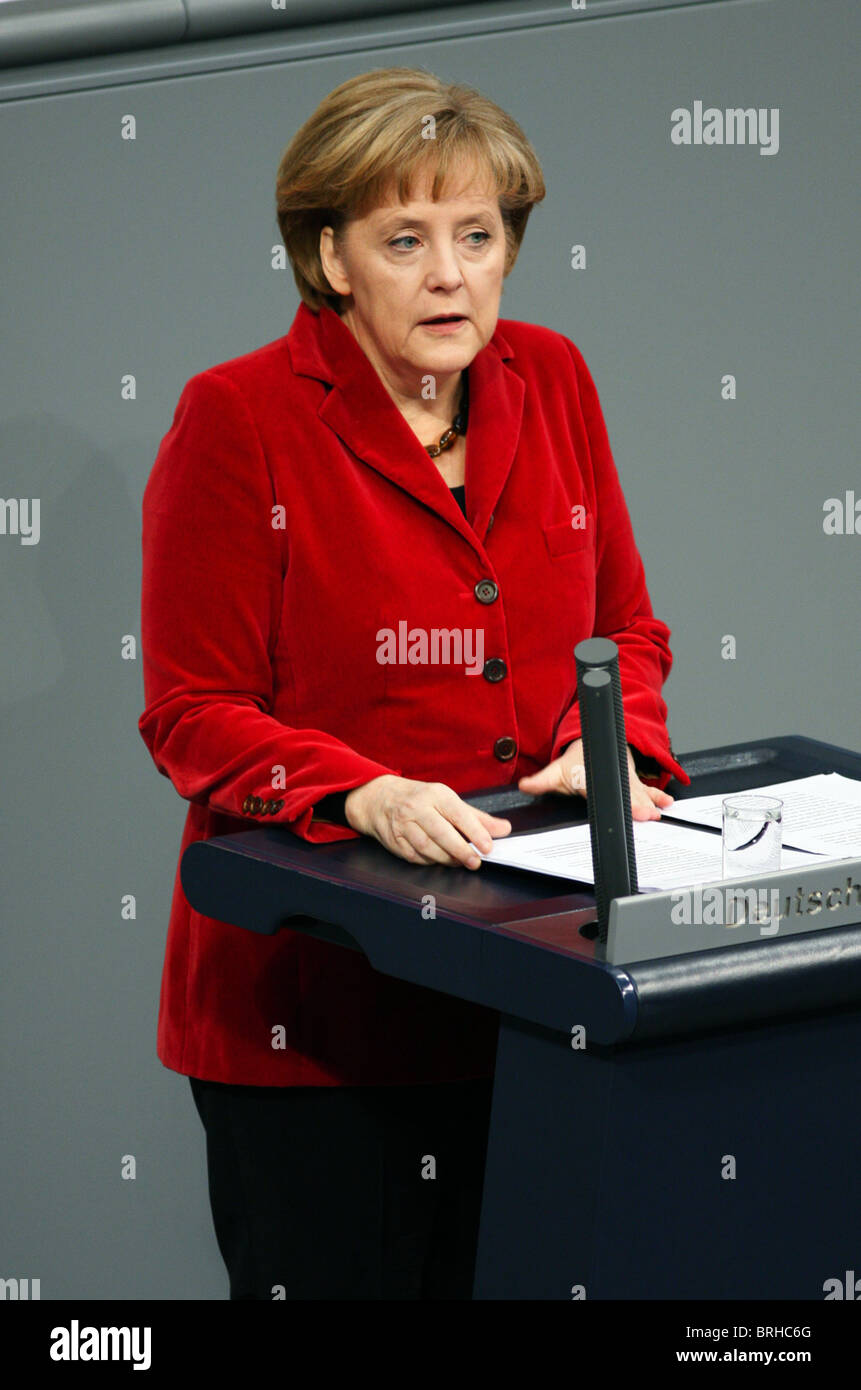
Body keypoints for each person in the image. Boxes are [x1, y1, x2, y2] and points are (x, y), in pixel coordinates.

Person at [138, 65, 691, 1300]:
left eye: (477, 236)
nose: (451, 274)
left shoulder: (553, 376)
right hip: (324, 1028)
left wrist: (611, 746)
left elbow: (628, 631)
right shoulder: (237, 420)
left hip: (540, 988)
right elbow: (190, 711)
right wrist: (365, 792)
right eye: (405, 239)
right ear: (331, 257)